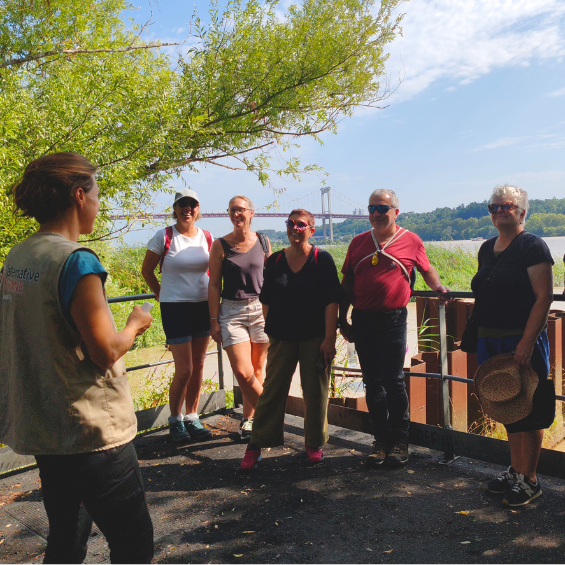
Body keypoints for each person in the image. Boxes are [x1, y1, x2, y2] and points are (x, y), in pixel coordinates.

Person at [0, 153, 154, 563]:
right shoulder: (77, 261)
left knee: (66, 538)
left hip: (46, 426)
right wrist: (135, 324)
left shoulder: (19, 256)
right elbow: (104, 352)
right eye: (98, 194)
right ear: (79, 195)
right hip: (91, 431)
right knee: (133, 543)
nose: (99, 204)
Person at [339, 189, 449, 467]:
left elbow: (426, 269)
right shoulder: (358, 243)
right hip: (363, 319)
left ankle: (400, 441)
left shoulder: (410, 240)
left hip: (393, 320)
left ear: (395, 212)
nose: (376, 214)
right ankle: (380, 441)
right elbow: (346, 284)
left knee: (393, 380)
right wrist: (343, 320)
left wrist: (437, 287)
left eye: (383, 208)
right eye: (372, 208)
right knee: (372, 382)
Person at [240, 209, 344, 469]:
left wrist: (329, 338)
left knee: (315, 392)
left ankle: (314, 444)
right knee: (272, 391)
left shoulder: (322, 260)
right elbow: (266, 301)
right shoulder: (275, 261)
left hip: (315, 338)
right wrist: (272, 330)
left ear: (311, 230)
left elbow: (332, 301)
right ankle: (257, 444)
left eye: (301, 225)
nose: (295, 229)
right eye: (291, 224)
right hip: (282, 338)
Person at [473, 184, 554, 507]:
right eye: (493, 207)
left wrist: (526, 342)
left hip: (521, 339)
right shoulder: (485, 248)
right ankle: (516, 471)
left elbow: (544, 297)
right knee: (507, 403)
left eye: (506, 206)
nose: (498, 212)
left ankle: (530, 478)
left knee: (529, 406)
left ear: (522, 212)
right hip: (490, 339)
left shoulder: (532, 246)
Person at [141, 188, 213, 443]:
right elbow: (147, 270)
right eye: (182, 205)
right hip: (175, 307)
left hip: (202, 306)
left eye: (192, 205)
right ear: (175, 208)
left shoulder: (206, 236)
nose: (187, 209)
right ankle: (175, 420)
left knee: (199, 365)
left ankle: (193, 416)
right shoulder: (164, 236)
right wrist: (161, 294)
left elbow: (214, 272)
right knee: (184, 369)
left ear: (198, 209)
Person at [208, 196, 271, 440]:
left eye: (241, 210)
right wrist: (214, 320)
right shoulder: (220, 245)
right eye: (232, 209)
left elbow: (271, 279)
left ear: (251, 213)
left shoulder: (263, 241)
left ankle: (249, 420)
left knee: (257, 369)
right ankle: (271, 416)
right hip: (231, 311)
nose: (236, 214)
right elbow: (214, 285)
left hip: (260, 309)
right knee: (243, 372)